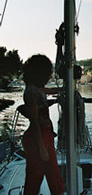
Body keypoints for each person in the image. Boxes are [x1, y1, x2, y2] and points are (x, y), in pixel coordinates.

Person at [22, 54, 64, 195]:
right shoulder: (30, 92)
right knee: (35, 177)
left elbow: (48, 91)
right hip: (37, 137)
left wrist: (63, 89)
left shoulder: (36, 89)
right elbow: (34, 122)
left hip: (46, 134)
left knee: (54, 174)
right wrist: (41, 147)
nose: (49, 76)